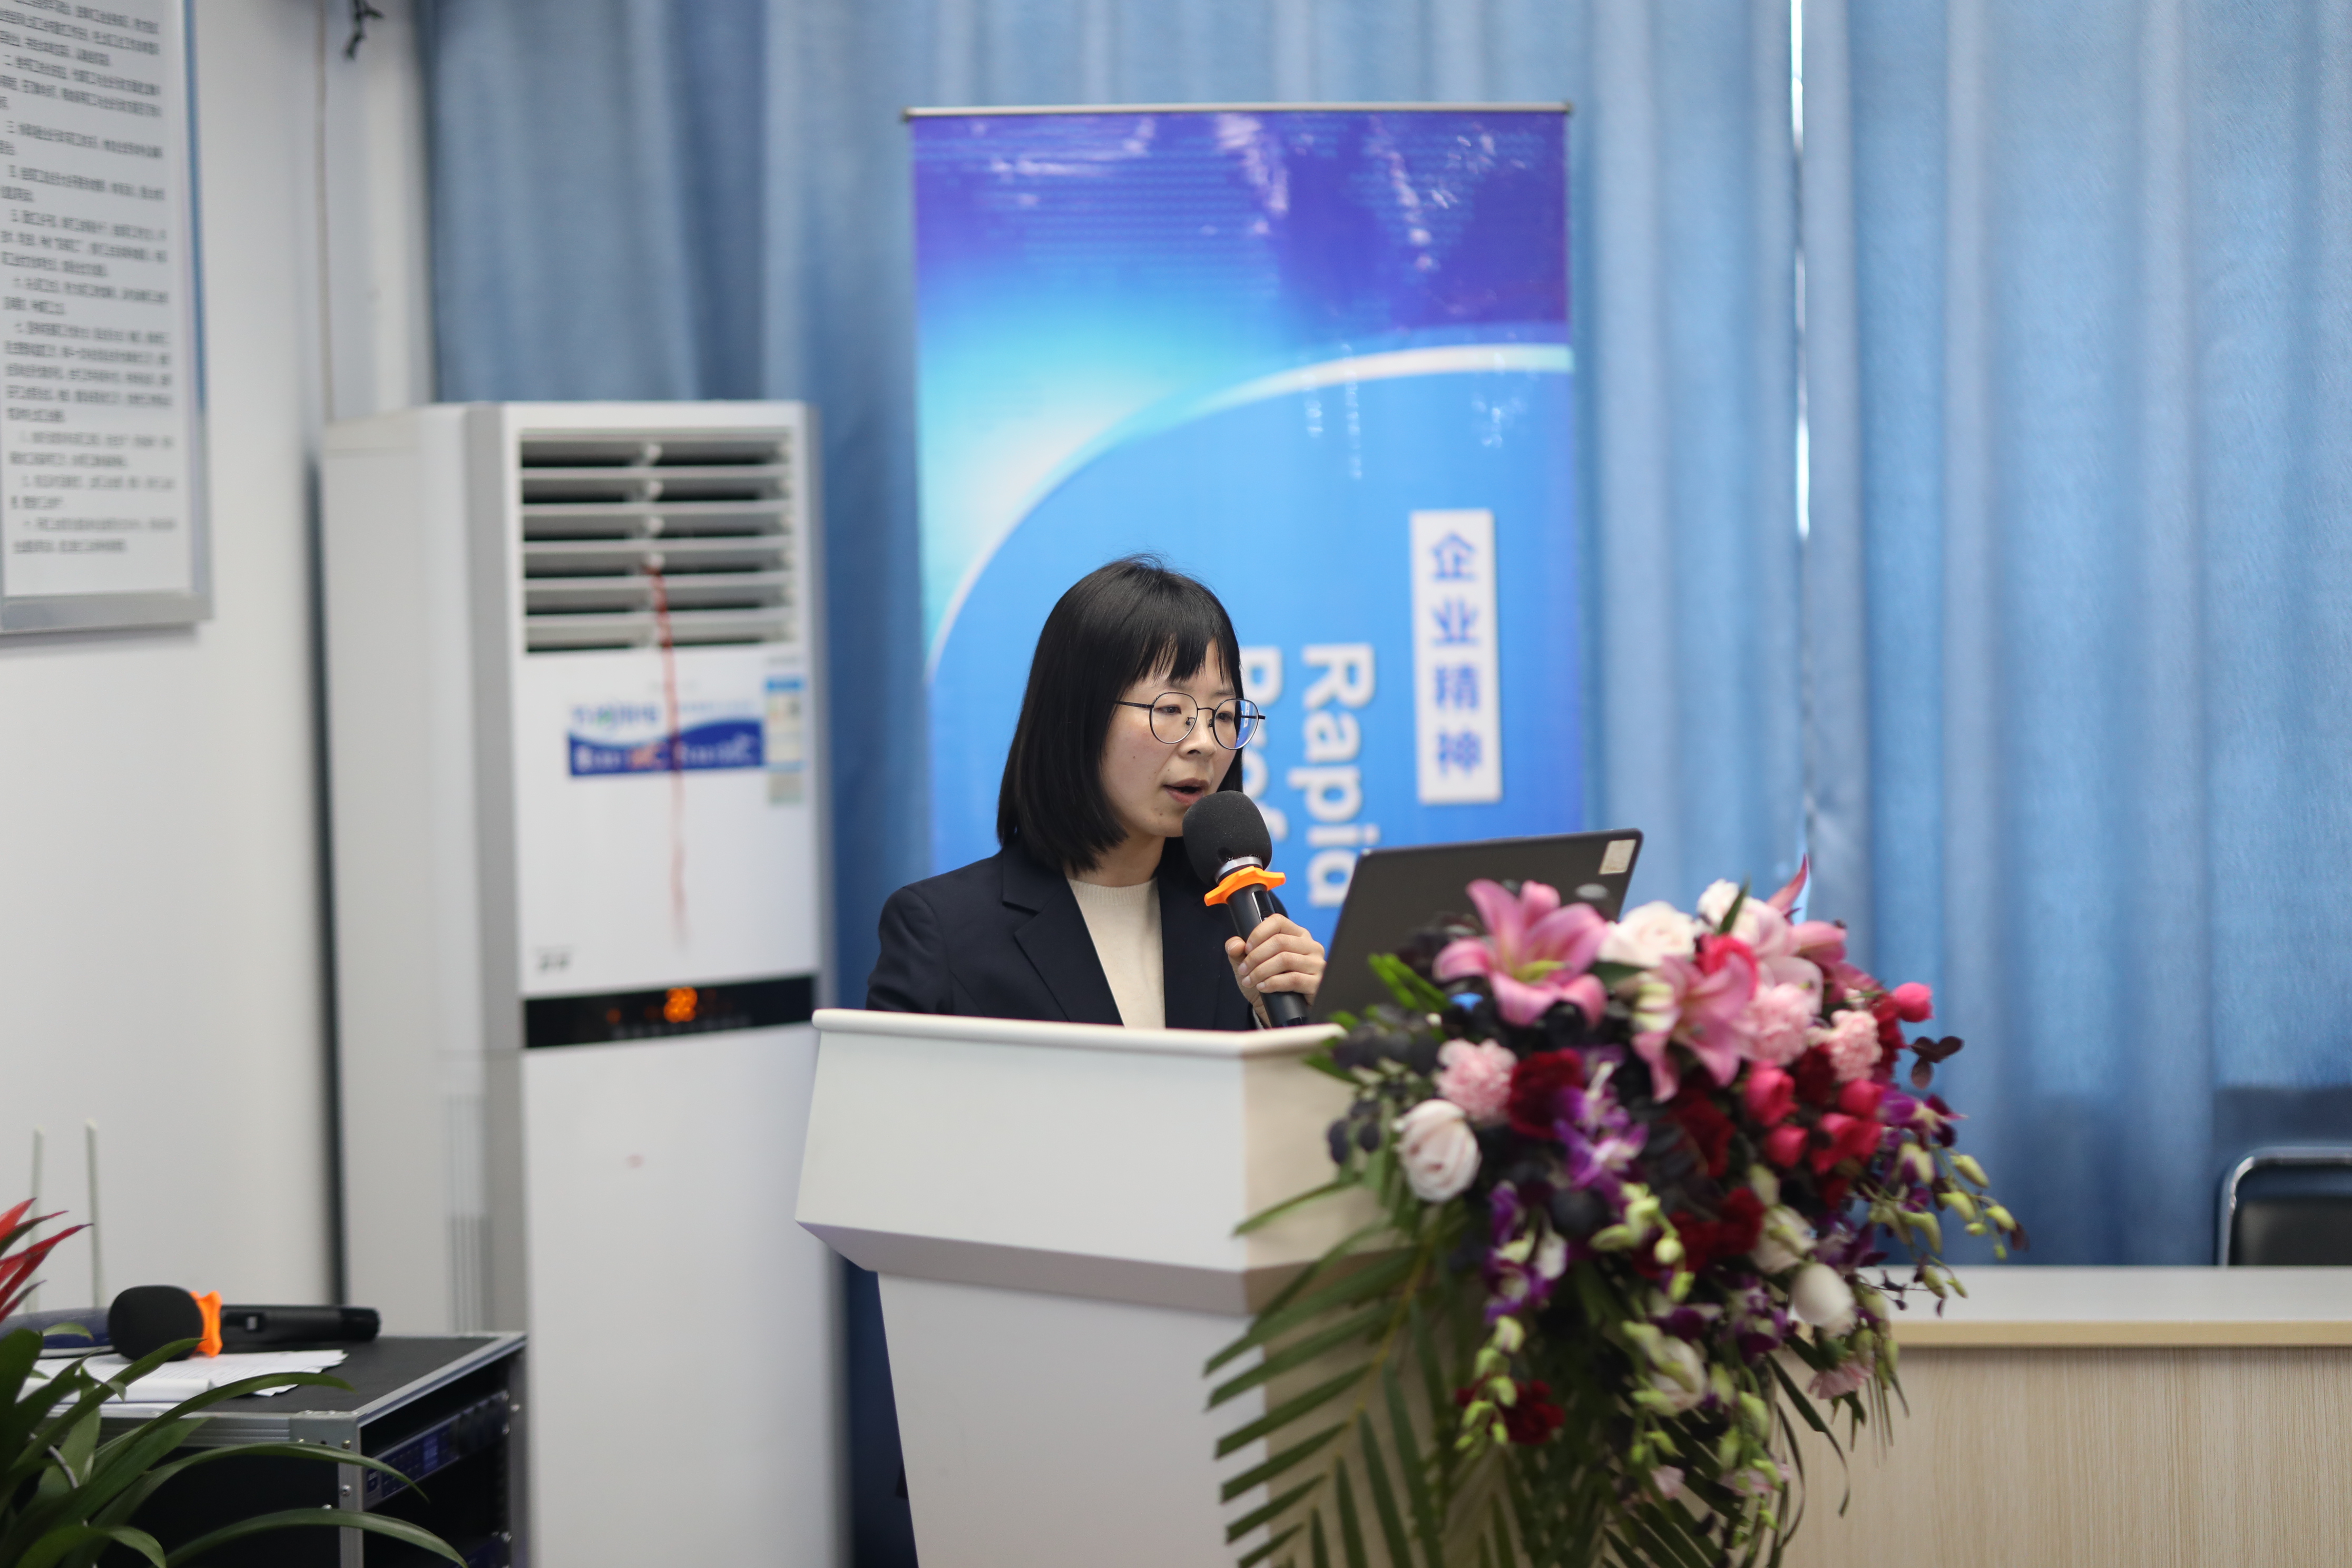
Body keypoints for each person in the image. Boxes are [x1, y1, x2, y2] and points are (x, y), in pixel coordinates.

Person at [867, 556, 1325, 1027]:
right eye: (1170, 709)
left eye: (1224, 715)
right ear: (1076, 717)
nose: (1205, 744)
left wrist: (1291, 1024)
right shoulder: (941, 931)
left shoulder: (1241, 921)